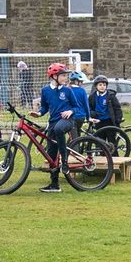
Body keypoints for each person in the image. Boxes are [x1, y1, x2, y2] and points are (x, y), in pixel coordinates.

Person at [31, 63, 79, 193]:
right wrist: (39, 113)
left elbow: (76, 107)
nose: (65, 78)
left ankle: (64, 161)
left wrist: (70, 112)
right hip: (52, 123)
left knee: (59, 129)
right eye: (63, 76)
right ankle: (54, 184)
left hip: (67, 121)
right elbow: (45, 107)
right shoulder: (45, 90)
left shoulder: (68, 90)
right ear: (54, 76)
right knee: (51, 154)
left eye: (66, 76)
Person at [88, 74, 124, 147]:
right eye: (100, 85)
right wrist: (92, 115)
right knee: (100, 143)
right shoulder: (92, 96)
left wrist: (118, 120)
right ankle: (103, 156)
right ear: (96, 86)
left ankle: (114, 157)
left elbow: (117, 108)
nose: (102, 87)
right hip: (99, 122)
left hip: (109, 122)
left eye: (104, 85)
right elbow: (89, 108)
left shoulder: (110, 96)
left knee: (111, 142)